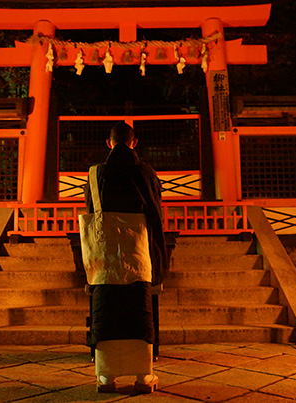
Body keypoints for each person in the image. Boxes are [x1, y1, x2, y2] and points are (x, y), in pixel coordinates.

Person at [84, 122, 167, 393]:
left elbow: (92, 211)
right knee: (138, 310)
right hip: (138, 251)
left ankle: (106, 378)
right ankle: (144, 377)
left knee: (106, 310)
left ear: (109, 143)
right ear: (135, 142)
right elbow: (156, 214)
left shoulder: (96, 174)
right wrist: (158, 256)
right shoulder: (145, 173)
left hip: (105, 256)